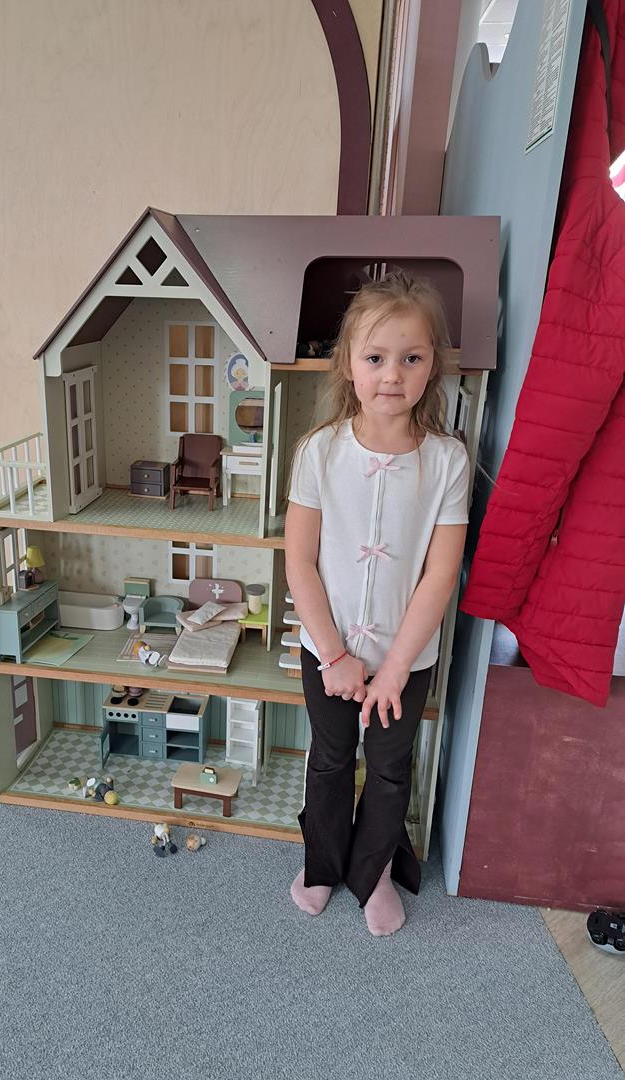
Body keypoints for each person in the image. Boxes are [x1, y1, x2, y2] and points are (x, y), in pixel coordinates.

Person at [285, 269, 470, 936]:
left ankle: (376, 871)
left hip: (405, 658)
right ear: (348, 364)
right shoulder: (319, 452)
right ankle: (322, 863)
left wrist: (393, 669)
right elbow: (299, 563)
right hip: (327, 651)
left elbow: (439, 576)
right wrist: (335, 655)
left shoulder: (447, 462)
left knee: (390, 768)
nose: (392, 374)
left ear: (431, 367)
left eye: (411, 358)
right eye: (375, 358)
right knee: (331, 758)